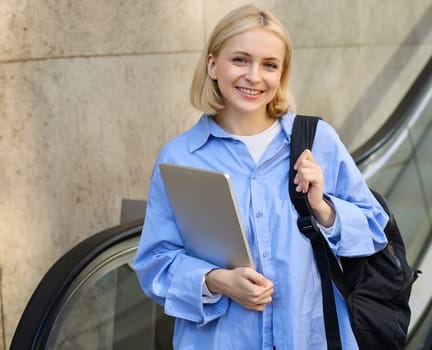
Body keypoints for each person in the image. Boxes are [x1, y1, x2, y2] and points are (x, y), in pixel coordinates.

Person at [133, 5, 389, 349]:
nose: (254, 76)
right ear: (212, 65)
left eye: (269, 64)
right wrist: (218, 281)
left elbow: (375, 227)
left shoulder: (317, 140)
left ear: (281, 74)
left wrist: (323, 208)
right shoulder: (180, 157)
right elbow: (155, 264)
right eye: (240, 59)